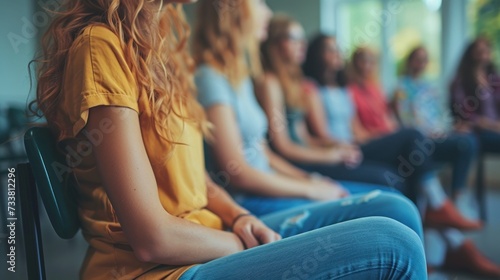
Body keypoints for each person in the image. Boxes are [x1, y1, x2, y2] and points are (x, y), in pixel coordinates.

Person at [31, 0, 426, 279]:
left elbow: (195, 178)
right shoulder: (100, 48)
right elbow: (153, 240)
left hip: (208, 233)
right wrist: (244, 243)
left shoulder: (161, 50)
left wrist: (238, 216)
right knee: (395, 244)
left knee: (398, 209)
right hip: (156, 269)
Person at [303, 39, 497, 277]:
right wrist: (364, 142)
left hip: (361, 143)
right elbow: (326, 134)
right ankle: (448, 230)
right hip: (346, 148)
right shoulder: (315, 89)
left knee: (434, 150)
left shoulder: (349, 88)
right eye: (331, 49)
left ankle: (441, 232)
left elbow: (359, 127)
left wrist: (386, 136)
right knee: (413, 140)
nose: (338, 54)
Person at [393, 46, 478, 200]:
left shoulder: (430, 88)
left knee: (469, 141)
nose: (421, 63)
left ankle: (457, 197)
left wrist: (452, 128)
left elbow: (438, 118)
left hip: (438, 135)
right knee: (464, 145)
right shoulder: (402, 87)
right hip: (421, 139)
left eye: (424, 60)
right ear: (410, 62)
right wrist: (430, 132)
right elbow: (406, 121)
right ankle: (444, 201)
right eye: (417, 60)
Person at [450, 38, 500, 156]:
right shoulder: (461, 81)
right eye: (479, 51)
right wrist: (491, 125)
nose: (483, 54)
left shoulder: (494, 79)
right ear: (471, 54)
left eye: (486, 50)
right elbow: (464, 113)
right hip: (477, 131)